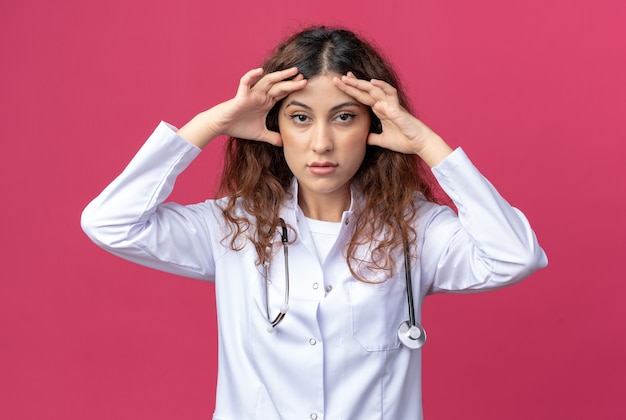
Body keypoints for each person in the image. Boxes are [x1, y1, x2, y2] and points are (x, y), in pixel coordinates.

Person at [81, 26, 548, 420]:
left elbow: (515, 256)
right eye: (300, 118)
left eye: (344, 118)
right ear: (275, 126)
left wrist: (430, 146)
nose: (321, 143)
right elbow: (111, 222)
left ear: (374, 126)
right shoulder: (232, 227)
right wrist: (208, 124)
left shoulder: (416, 230)